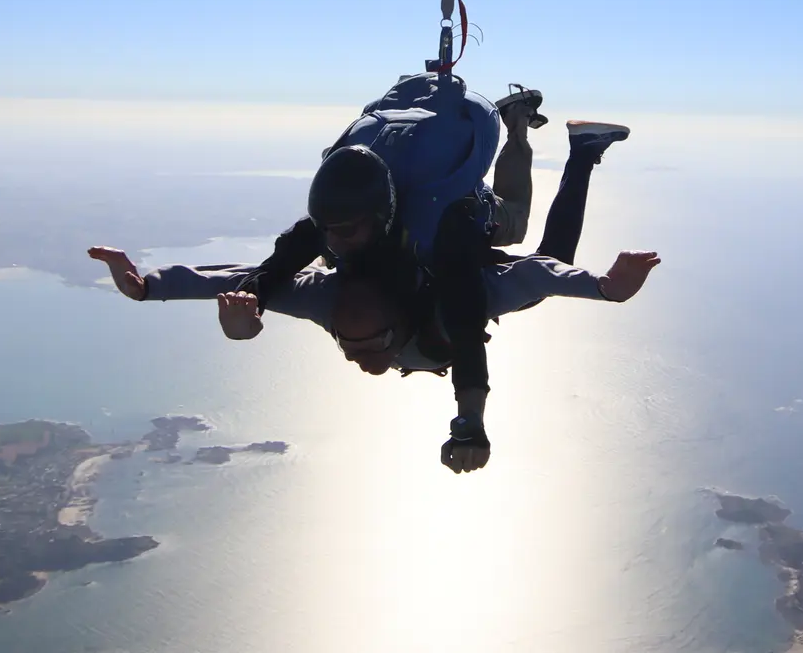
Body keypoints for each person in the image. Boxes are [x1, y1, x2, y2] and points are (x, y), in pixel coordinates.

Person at [87, 106, 652, 472]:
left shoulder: (454, 285)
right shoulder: (329, 290)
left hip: (466, 224)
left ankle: (558, 143)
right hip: (415, 233)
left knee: (525, 231)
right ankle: (527, 128)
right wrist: (147, 287)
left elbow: (535, 274)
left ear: (399, 323)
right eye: (351, 344)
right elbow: (243, 278)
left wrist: (603, 287)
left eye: (360, 344)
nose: (357, 358)